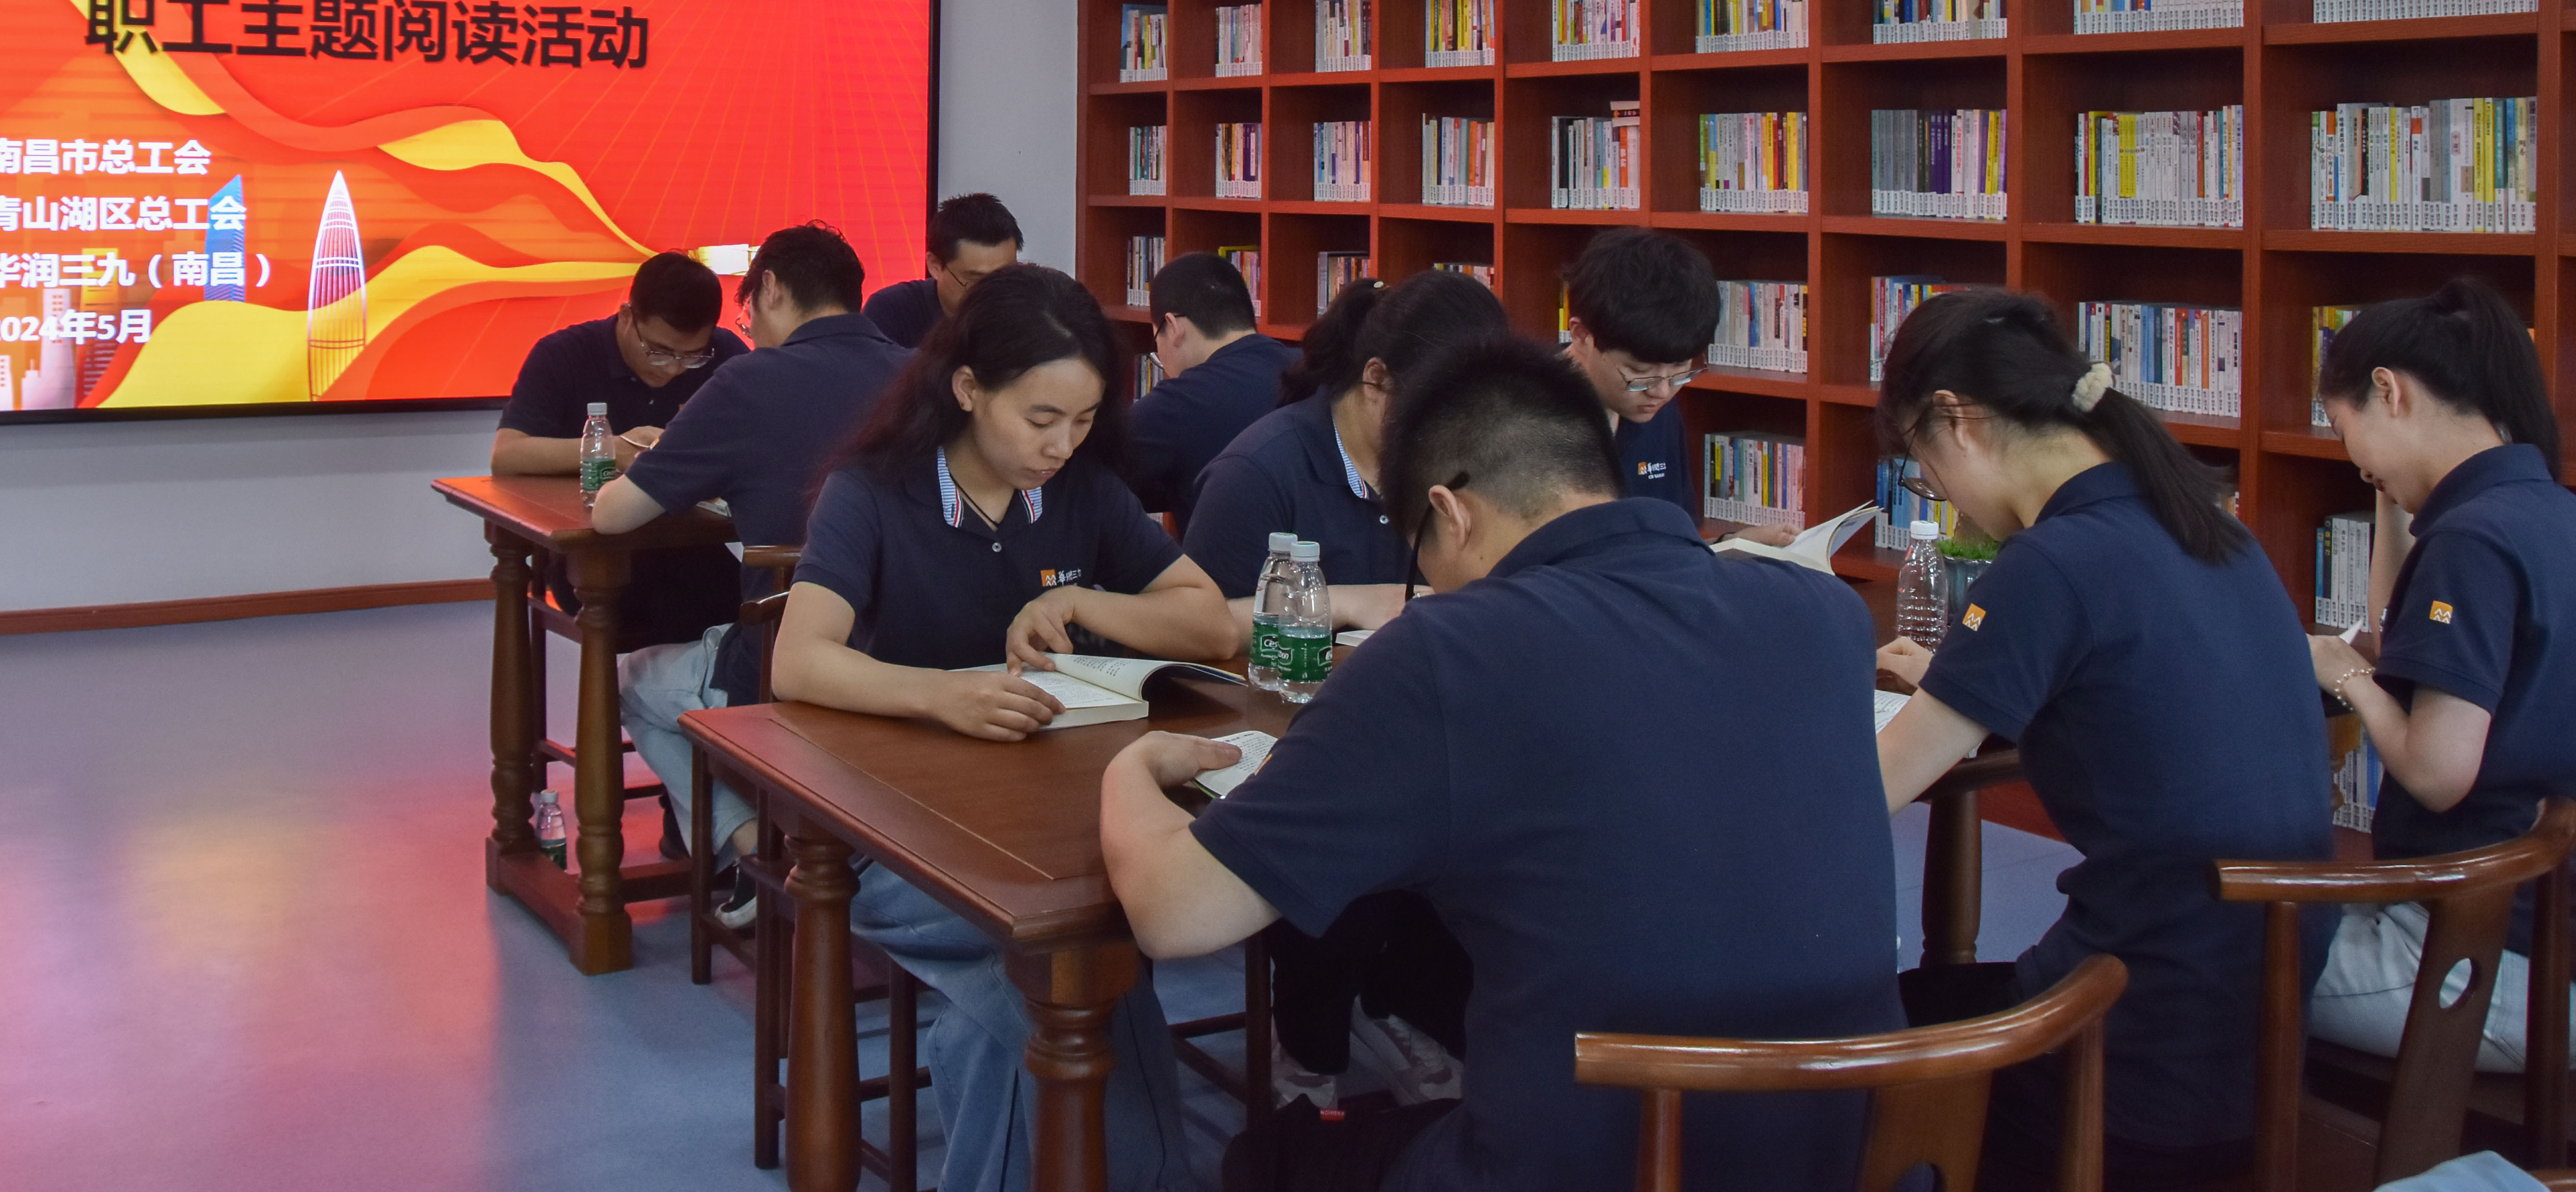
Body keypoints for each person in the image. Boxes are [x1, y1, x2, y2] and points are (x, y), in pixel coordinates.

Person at [1101, 336, 1903, 1192]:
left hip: (1592, 1166)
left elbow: (1175, 913)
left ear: (1451, 514)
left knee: (1267, 1158)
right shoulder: (1825, 611)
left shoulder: (1448, 652)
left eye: (1417, 555)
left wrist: (1131, 770)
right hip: (1847, 1154)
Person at [777, 264, 1238, 1192]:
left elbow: (1212, 624)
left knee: (1051, 984)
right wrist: (940, 696)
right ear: (967, 388)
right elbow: (799, 660)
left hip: (1043, 816)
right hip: (894, 832)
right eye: (1041, 419)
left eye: (1083, 420)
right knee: (1060, 982)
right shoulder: (875, 492)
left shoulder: (1082, 492)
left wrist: (1083, 598)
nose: (1062, 445)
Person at [1873, 289, 2332, 1190]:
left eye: (1926, 471)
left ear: (1955, 421)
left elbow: (1865, 794)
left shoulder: (2050, 563)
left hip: (2130, 1058)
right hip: (2255, 1041)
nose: (1946, 499)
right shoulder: (2210, 527)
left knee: (1854, 1045)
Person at [1177, 270, 1512, 1106]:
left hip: (1420, 726)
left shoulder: (1455, 473)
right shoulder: (1260, 470)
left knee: (1505, 830)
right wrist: (1350, 604)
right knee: (1356, 833)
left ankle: (1411, 1012)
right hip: (1281, 736)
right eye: (1440, 408)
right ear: (1376, 382)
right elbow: (1193, 629)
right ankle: (1314, 1041)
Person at [2305, 277, 2576, 1074]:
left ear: (2389, 392)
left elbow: (2436, 773)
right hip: (2542, 939)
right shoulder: (2547, 509)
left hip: (2475, 956)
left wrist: (2346, 677)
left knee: (2192, 961)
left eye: (2345, 429)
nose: (2352, 459)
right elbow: (2408, 639)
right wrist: (2391, 493)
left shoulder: (2473, 541)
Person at [593, 224, 907, 908]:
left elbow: (612, 516)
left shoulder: (748, 381)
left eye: (747, 313)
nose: (751, 329)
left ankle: (752, 851)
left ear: (771, 289)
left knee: (632, 680)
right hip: (915, 657)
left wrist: (653, 455)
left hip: (784, 661)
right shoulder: (924, 376)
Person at [492, 250, 748, 652]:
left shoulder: (724, 355)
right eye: (658, 351)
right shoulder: (564, 354)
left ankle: (693, 689)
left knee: (751, 611)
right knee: (678, 609)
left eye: (690, 357)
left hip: (692, 543)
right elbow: (507, 455)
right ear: (628, 316)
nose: (673, 369)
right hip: (591, 552)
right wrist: (614, 449)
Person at [1120, 250, 1296, 520]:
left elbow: (1085, 482)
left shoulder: (1176, 404)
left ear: (1173, 326)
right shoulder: (1312, 370)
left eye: (1156, 341)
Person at [1558, 228, 1715, 521]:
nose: (1662, 392)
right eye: (1639, 373)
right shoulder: (1521, 420)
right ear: (1581, 336)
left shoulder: (1655, 405)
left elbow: (1673, 532)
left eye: (1680, 370)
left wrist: (1729, 542)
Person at [863, 191, 1024, 348]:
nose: (993, 293)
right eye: (976, 281)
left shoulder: (1029, 312)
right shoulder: (892, 311)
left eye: (1005, 277)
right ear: (935, 266)